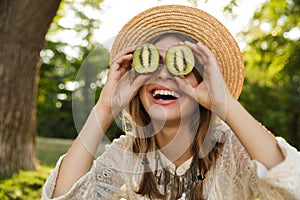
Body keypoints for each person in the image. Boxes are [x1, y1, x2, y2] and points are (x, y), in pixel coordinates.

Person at [42, 5, 300, 200]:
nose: (164, 74)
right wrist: (105, 108)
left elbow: (293, 185)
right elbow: (63, 196)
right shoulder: (126, 155)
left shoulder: (234, 149)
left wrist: (225, 104)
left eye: (179, 64)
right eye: (151, 62)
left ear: (204, 80)